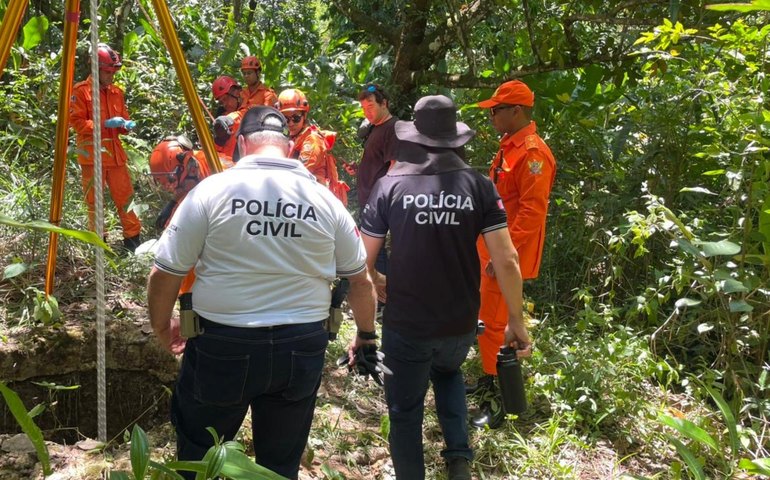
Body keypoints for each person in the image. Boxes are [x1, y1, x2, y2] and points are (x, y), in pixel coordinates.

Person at [147, 106, 378, 480]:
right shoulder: (325, 201)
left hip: (222, 343)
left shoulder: (212, 191)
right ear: (288, 148)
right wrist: (365, 335)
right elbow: (360, 280)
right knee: (279, 463)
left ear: (240, 144)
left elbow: (166, 271)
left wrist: (161, 326)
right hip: (301, 345)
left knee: (198, 456)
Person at [359, 95, 532, 480]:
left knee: (404, 411)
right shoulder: (479, 186)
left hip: (407, 322)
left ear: (413, 138)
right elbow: (506, 259)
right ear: (456, 138)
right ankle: (458, 458)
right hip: (460, 320)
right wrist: (516, 321)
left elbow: (361, 262)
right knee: (449, 373)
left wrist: (374, 282)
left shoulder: (390, 186)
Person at [469, 80, 556, 429]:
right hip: (490, 249)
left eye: (496, 110)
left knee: (495, 325)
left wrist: (504, 257)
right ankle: (488, 381)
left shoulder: (533, 154)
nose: (491, 116)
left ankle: (500, 402)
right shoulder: (510, 147)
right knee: (486, 320)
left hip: (504, 256)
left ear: (516, 111)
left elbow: (532, 213)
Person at [69, 43, 142, 251]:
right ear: (96, 68)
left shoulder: (116, 92)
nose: (111, 76)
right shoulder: (81, 92)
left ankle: (133, 240)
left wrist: (126, 126)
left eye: (113, 71)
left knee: (126, 198)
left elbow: (123, 121)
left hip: (115, 156)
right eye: (107, 71)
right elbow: (76, 122)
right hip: (93, 156)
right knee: (94, 203)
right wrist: (103, 124)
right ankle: (99, 244)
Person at [275, 88, 331, 185]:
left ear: (304, 116)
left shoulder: (312, 139)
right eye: (286, 119)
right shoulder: (287, 138)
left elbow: (301, 172)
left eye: (296, 118)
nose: (291, 123)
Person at [211, 75, 245, 160]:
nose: (225, 104)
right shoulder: (222, 116)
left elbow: (243, 115)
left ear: (236, 93)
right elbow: (216, 151)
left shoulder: (249, 107)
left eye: (226, 99)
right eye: (221, 102)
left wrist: (229, 119)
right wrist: (219, 140)